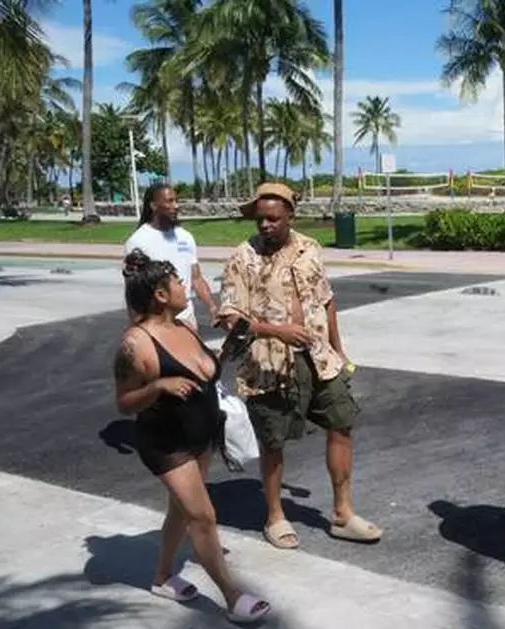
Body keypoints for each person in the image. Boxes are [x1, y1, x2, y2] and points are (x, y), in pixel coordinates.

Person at [215, 182, 381, 550]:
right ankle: (275, 516)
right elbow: (230, 318)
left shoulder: (310, 248)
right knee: (273, 441)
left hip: (320, 359)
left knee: (341, 424)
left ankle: (343, 513)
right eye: (260, 219)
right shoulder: (243, 257)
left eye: (273, 219)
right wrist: (278, 331)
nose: (265, 225)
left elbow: (326, 300)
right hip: (268, 364)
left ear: (291, 216)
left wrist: (338, 350)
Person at [112, 250, 270, 624]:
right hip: (167, 445)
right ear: (160, 295)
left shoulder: (183, 327)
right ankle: (233, 597)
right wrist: (158, 386)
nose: (186, 287)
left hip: (200, 435)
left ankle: (162, 577)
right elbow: (123, 403)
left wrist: (231, 347)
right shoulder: (135, 344)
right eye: (178, 283)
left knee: (180, 511)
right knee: (202, 516)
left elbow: (205, 373)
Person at [124, 184, 218, 330]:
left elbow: (196, 278)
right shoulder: (138, 241)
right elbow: (133, 291)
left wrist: (212, 307)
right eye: (169, 201)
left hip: (187, 319)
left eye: (176, 201)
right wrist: (137, 327)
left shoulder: (185, 237)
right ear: (153, 206)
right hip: (157, 323)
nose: (176, 206)